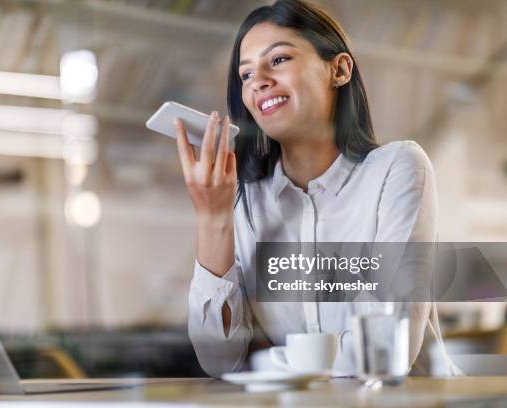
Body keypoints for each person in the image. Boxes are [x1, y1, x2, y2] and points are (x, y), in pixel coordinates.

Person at [173, 0, 457, 377]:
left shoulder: (397, 168)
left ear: (338, 69)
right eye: (245, 75)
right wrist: (212, 217)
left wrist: (267, 362)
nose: (258, 80)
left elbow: (386, 350)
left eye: (278, 60)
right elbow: (220, 361)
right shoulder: (244, 200)